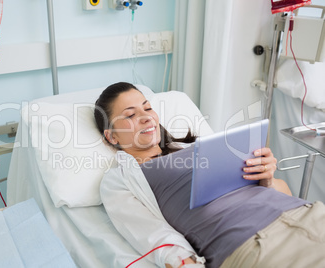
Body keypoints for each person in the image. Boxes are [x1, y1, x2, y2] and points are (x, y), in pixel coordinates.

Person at [94, 82, 325, 268]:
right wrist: (183, 261)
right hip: (253, 243)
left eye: (147, 107)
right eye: (130, 115)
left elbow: (285, 193)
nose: (146, 117)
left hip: (309, 214)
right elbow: (148, 232)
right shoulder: (120, 179)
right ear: (112, 137)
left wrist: (268, 179)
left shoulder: (204, 146)